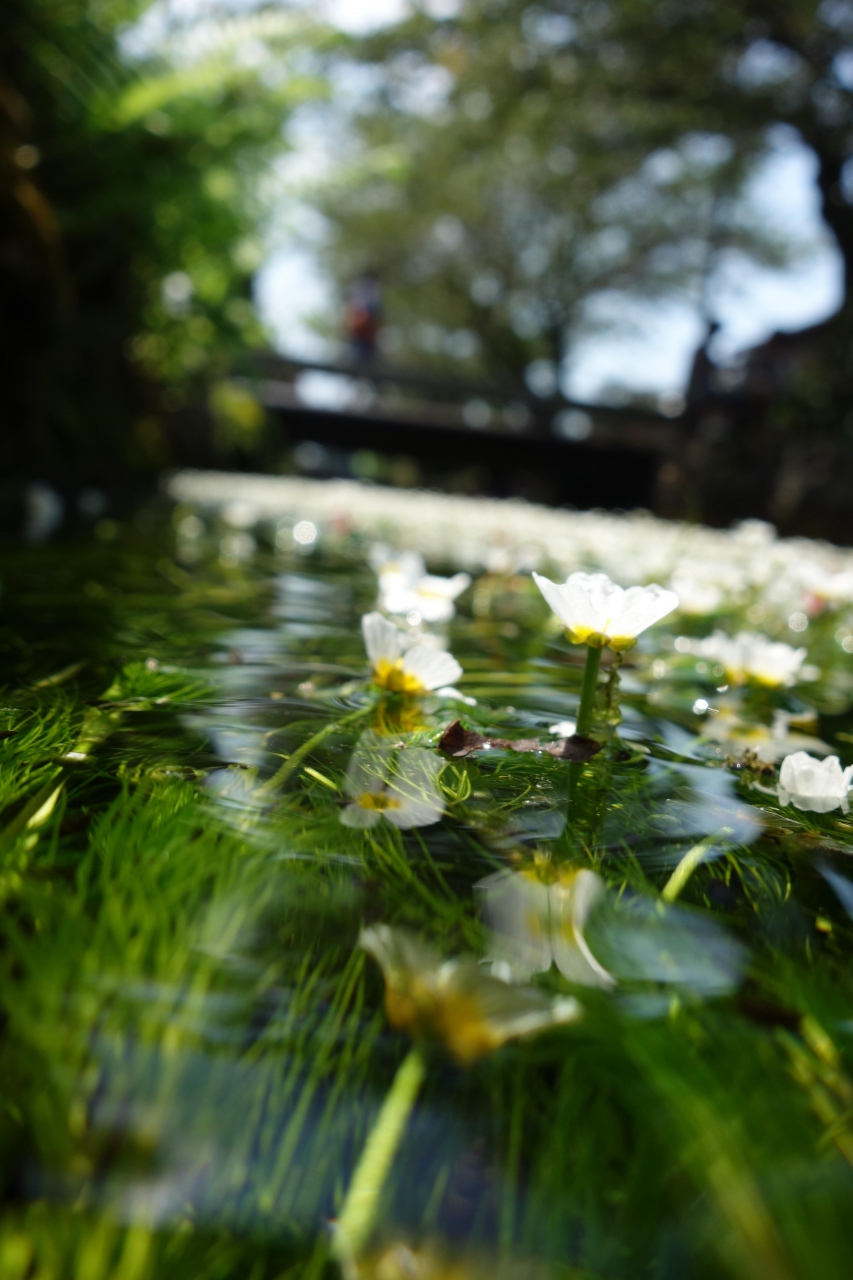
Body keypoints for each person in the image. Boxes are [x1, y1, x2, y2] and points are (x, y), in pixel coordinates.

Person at [345, 274, 381, 362]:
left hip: (367, 336)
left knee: (366, 356)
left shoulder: (373, 294)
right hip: (359, 335)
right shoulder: (360, 294)